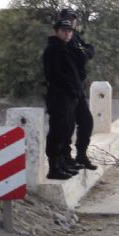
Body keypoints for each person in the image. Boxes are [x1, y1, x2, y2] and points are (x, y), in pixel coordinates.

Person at [43, 19, 84, 180]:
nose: (67, 33)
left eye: (69, 31)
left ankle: (63, 163)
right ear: (57, 31)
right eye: (64, 30)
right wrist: (71, 87)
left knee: (66, 130)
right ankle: (54, 168)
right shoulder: (53, 49)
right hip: (59, 96)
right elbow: (55, 75)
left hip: (68, 97)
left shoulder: (65, 48)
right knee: (57, 132)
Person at [58, 8, 97, 171]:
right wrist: (83, 52)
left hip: (78, 88)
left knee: (86, 122)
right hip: (65, 89)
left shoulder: (75, 37)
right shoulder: (62, 40)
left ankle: (81, 155)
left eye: (74, 18)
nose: (72, 21)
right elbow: (81, 56)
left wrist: (84, 51)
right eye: (69, 18)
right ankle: (64, 159)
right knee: (67, 125)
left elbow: (90, 50)